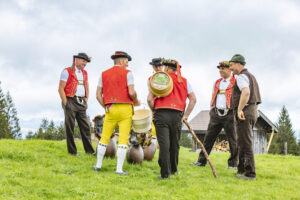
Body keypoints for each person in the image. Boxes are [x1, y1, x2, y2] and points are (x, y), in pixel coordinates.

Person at [148, 59, 196, 179]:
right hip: (177, 115)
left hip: (161, 114)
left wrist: (153, 110)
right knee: (175, 144)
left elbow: (149, 99)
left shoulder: (158, 78)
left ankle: (165, 174)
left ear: (167, 68)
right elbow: (193, 99)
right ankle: (174, 170)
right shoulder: (185, 81)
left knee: (164, 145)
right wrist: (186, 115)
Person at [94, 51, 140, 175]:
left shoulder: (103, 74)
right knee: (123, 139)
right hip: (125, 109)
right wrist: (136, 100)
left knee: (104, 137)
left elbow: (98, 95)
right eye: (126, 61)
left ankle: (98, 165)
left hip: (111, 108)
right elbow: (131, 92)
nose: (127, 65)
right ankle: (119, 169)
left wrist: (106, 106)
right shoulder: (128, 73)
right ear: (120, 61)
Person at [191, 61, 238, 169]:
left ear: (229, 69)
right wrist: (211, 109)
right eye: (219, 68)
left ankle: (233, 164)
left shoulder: (235, 82)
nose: (220, 70)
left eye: (223, 68)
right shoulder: (217, 82)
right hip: (216, 113)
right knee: (208, 138)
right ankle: (201, 161)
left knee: (233, 140)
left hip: (230, 114)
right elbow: (213, 95)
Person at [229, 54, 261, 180]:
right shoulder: (251, 76)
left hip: (245, 111)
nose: (230, 68)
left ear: (238, 64)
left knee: (245, 143)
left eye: (231, 65)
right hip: (252, 110)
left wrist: (239, 109)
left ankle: (250, 173)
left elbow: (246, 92)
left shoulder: (242, 76)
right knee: (242, 141)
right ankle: (242, 170)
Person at [58, 52, 95, 155]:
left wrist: (86, 98)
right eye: (83, 61)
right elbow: (60, 88)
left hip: (82, 101)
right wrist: (66, 102)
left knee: (86, 127)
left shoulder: (85, 73)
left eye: (86, 62)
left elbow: (86, 85)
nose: (85, 63)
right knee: (70, 127)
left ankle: (90, 151)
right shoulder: (67, 71)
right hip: (70, 100)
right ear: (76, 60)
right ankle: (72, 152)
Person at [147, 58, 164, 144]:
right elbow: (150, 95)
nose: (158, 68)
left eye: (159, 66)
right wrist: (152, 107)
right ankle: (153, 148)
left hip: (166, 105)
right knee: (154, 127)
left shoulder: (168, 78)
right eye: (155, 66)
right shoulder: (150, 79)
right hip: (155, 105)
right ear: (153, 67)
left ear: (163, 66)